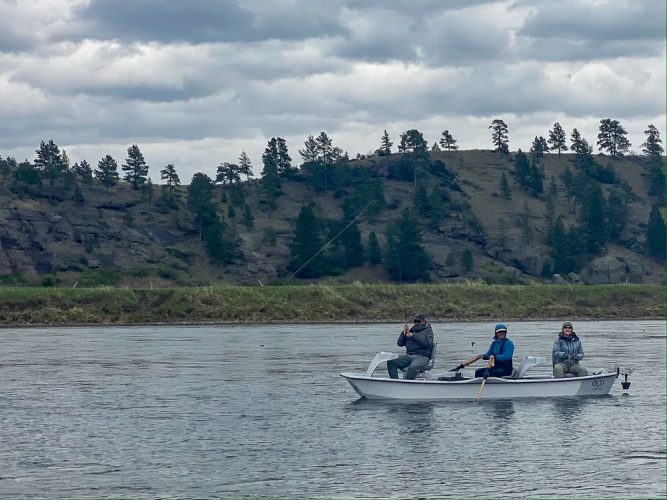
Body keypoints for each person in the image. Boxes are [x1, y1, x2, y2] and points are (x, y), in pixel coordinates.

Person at [387, 313, 434, 380]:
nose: (416, 323)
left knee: (413, 367)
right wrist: (403, 333)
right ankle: (395, 381)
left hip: (423, 357)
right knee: (391, 362)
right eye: (415, 321)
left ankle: (406, 383)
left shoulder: (428, 331)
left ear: (424, 321)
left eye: (418, 321)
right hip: (409, 356)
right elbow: (400, 344)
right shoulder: (412, 330)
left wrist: (413, 335)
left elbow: (427, 343)